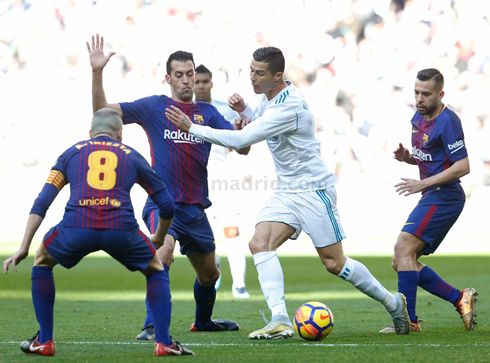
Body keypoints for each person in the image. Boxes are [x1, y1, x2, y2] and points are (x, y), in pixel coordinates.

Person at [167, 46, 410, 338]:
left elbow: (244, 138)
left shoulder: (289, 106)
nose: (253, 78)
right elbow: (257, 118)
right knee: (259, 243)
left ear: (278, 75)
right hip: (286, 191)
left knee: (334, 263)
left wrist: (191, 127)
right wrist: (245, 110)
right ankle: (280, 319)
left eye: (260, 73)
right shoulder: (271, 97)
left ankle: (394, 303)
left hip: (313, 191)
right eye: (251, 71)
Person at [86, 34, 248, 340]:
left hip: (196, 208)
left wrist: (241, 126)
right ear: (168, 78)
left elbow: (243, 148)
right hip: (163, 205)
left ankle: (203, 322)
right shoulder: (154, 107)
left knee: (210, 274)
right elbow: (101, 112)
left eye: (191, 74)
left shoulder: (208, 114)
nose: (187, 81)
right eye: (179, 75)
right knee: (163, 253)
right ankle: (151, 326)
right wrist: (97, 73)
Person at [3, 109, 194, 357]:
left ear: (91, 133)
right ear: (120, 134)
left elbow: (42, 202)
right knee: (156, 269)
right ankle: (165, 342)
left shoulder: (71, 153)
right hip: (121, 230)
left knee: (42, 260)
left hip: (76, 227)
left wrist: (24, 246)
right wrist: (158, 237)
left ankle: (45, 341)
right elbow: (167, 205)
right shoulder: (133, 156)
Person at [379, 68, 477, 333]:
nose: (419, 99)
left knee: (403, 250)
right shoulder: (418, 117)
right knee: (401, 260)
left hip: (445, 196)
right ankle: (459, 298)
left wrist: (421, 183)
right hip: (432, 194)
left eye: (426, 94)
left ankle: (408, 322)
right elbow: (430, 156)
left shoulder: (449, 121)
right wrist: (408, 158)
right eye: (416, 92)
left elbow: (463, 166)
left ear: (440, 94)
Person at [194, 64, 249, 299]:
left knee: (232, 231)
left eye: (205, 81)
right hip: (194, 181)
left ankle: (239, 285)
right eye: (197, 81)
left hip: (221, 179)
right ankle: (211, 279)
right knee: (205, 236)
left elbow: (239, 143)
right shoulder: (180, 110)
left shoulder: (221, 111)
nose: (201, 85)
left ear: (211, 83)